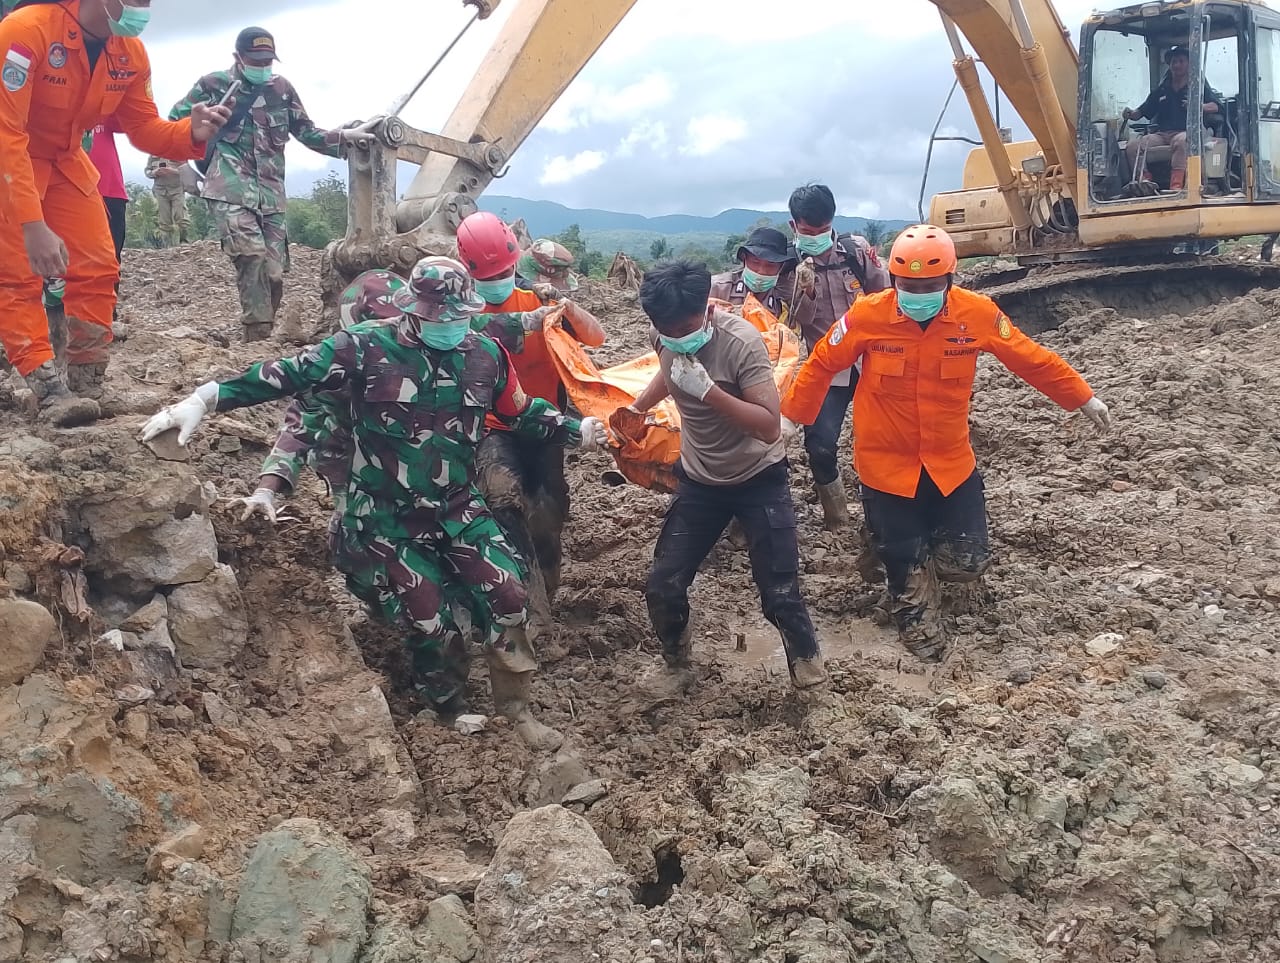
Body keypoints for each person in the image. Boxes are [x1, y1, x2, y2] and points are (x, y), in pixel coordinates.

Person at [141, 256, 609, 748]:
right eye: (439, 318)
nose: (450, 327)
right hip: (389, 517)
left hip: (457, 507)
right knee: (432, 621)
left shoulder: (484, 354)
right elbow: (283, 375)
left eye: (458, 317)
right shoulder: (363, 347)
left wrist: (577, 429)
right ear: (413, 311)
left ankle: (516, 710)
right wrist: (203, 399)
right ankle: (449, 710)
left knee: (508, 594)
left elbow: (520, 411)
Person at [781, 225, 1112, 661]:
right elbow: (822, 362)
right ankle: (909, 592)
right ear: (894, 280)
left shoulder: (976, 314)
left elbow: (1030, 357)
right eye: (908, 285)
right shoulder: (867, 316)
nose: (919, 293)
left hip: (949, 461)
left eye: (930, 285)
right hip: (886, 466)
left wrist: (1081, 396)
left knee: (967, 561)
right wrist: (792, 416)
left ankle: (891, 547)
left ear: (951, 279)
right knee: (907, 567)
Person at [0, 0, 229, 426]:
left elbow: (143, 127)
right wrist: (32, 225)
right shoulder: (25, 32)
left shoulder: (129, 52)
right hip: (10, 161)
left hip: (66, 161)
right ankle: (48, 389)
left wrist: (189, 132)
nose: (142, 8)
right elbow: (6, 132)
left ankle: (87, 384)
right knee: (17, 276)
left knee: (98, 266)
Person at [612, 260, 826, 691]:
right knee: (663, 585)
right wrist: (638, 409)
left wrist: (708, 391)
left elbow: (768, 425)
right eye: (666, 331)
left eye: (684, 328)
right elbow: (668, 367)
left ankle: (809, 674)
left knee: (780, 595)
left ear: (707, 311)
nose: (677, 339)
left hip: (758, 478)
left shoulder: (740, 343)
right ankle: (677, 662)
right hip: (700, 483)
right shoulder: (665, 335)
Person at [456, 211, 607, 644]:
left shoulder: (537, 303)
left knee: (547, 514)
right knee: (504, 501)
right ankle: (527, 610)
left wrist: (565, 306)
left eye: (505, 271)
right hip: (491, 427)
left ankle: (547, 590)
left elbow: (594, 339)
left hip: (543, 424)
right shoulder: (462, 315)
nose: (499, 279)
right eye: (490, 274)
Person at [170, 27, 365, 341]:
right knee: (251, 256)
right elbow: (173, 122)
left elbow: (307, 132)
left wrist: (345, 139)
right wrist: (179, 166)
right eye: (255, 60)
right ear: (239, 58)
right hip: (229, 188)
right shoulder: (213, 85)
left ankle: (264, 329)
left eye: (267, 61)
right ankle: (256, 334)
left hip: (271, 196)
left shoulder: (281, 89)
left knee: (274, 274)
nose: (262, 67)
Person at [781, 183, 890, 531]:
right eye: (809, 232)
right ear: (794, 226)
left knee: (887, 439)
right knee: (821, 445)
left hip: (874, 362)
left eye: (824, 230)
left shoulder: (855, 252)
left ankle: (889, 506)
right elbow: (799, 321)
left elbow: (885, 295)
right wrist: (807, 288)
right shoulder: (787, 267)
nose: (817, 237)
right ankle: (837, 516)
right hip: (828, 369)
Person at [1123, 45, 1222, 192]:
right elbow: (1142, 112)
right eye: (1173, 62)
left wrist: (1198, 106)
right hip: (1162, 135)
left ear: (1189, 64)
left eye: (1181, 61)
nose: (1176, 65)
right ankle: (1144, 181)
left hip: (1190, 132)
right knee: (1132, 147)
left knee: (1180, 141)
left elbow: (1216, 106)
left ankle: (1176, 185)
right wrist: (1130, 113)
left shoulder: (1198, 87)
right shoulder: (1162, 90)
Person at [709, 226, 796, 325]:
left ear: (781, 267)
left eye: (770, 266)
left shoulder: (780, 306)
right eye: (755, 262)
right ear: (744, 259)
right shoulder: (717, 288)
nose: (761, 271)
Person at [145, 154, 189, 247]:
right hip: (160, 190)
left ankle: (184, 241)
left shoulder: (179, 151)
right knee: (164, 219)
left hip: (177, 189)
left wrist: (172, 171)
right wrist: (155, 172)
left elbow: (187, 170)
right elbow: (147, 171)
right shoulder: (153, 155)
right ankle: (167, 245)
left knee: (180, 215)